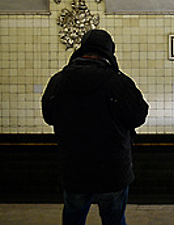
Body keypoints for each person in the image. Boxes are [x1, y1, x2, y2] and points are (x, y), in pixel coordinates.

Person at [42, 29, 149, 225]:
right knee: (114, 220)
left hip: (74, 169)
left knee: (73, 218)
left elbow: (48, 116)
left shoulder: (59, 81)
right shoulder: (119, 83)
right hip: (113, 171)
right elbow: (138, 116)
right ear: (109, 51)